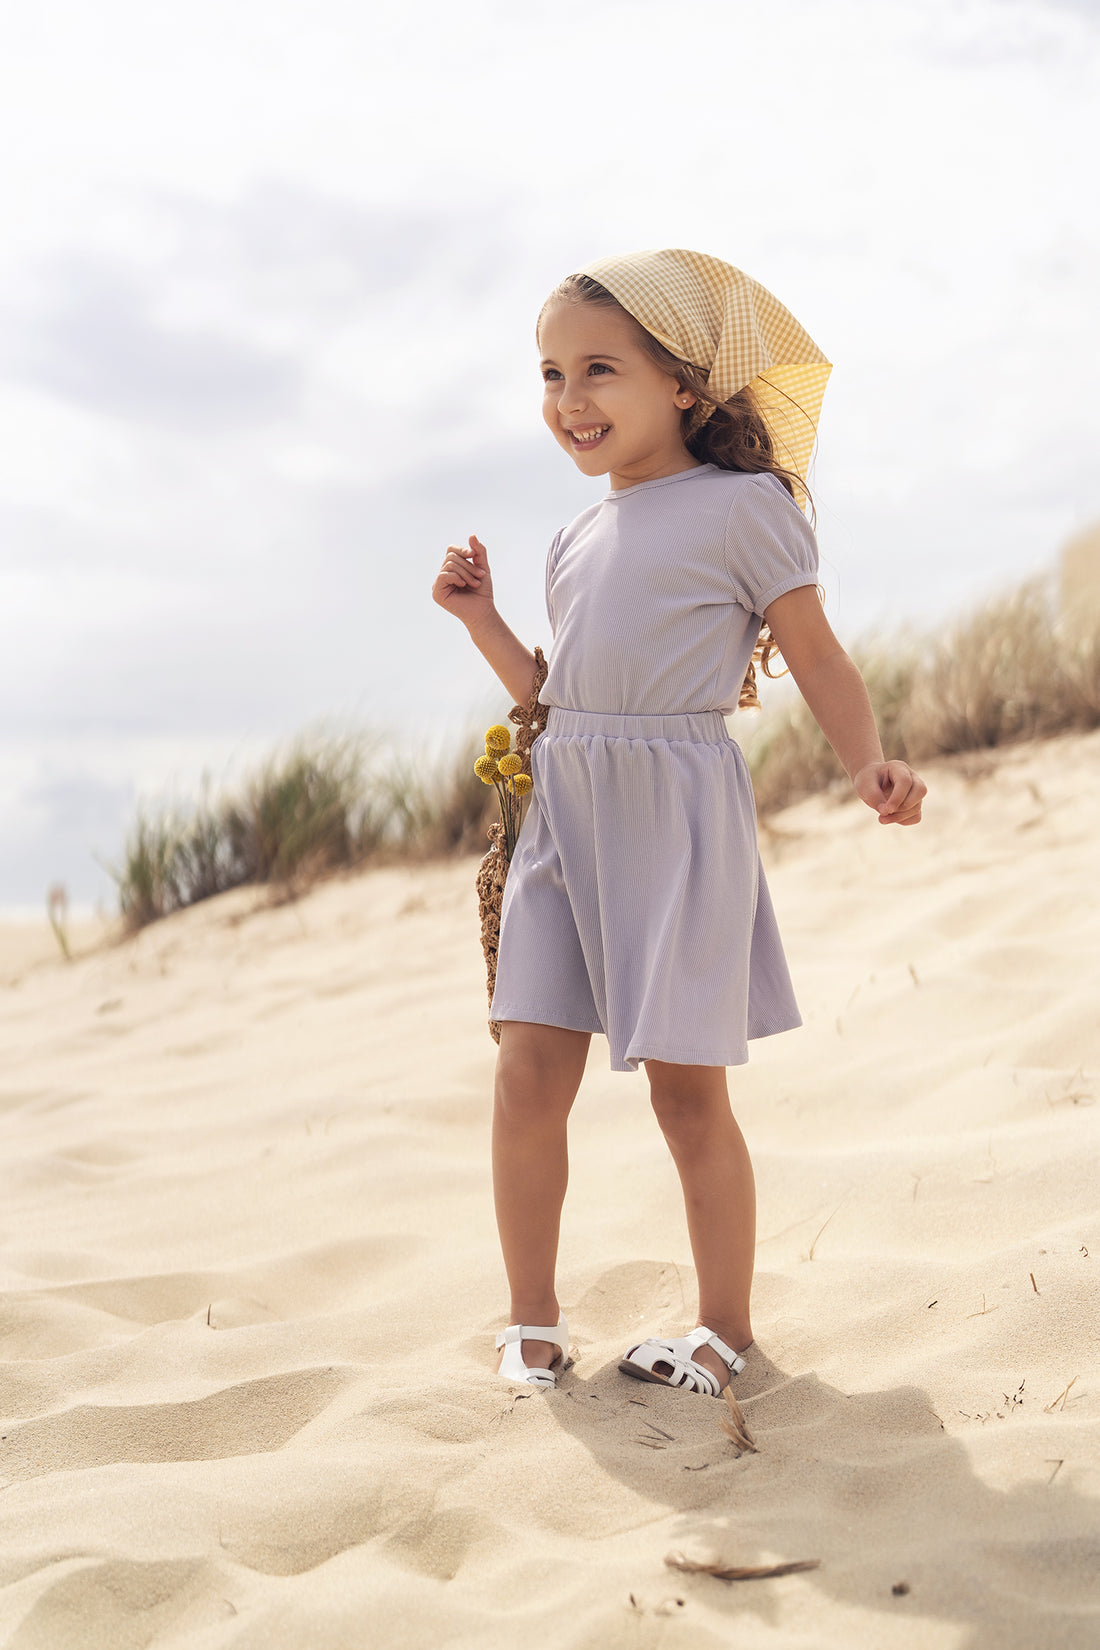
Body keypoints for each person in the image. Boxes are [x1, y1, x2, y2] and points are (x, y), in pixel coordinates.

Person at [431, 248, 926, 1398]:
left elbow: (812, 651)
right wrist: (480, 623)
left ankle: (722, 1329)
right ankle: (532, 1324)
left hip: (675, 815)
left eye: (599, 370)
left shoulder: (744, 508)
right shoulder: (570, 539)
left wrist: (870, 761)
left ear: (685, 388)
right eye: (551, 375)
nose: (569, 402)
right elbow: (555, 698)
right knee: (524, 1073)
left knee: (683, 1091)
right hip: (563, 813)